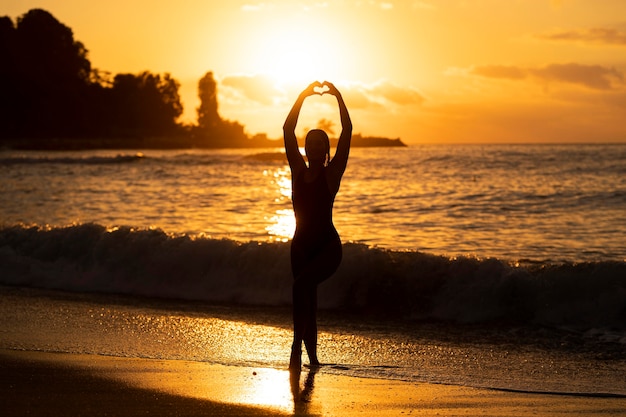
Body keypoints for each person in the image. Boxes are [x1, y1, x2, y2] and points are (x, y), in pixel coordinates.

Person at [283, 81, 352, 371]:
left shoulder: (332, 174)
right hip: (300, 247)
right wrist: (302, 96)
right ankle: (312, 359)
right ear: (305, 147)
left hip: (327, 247)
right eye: (309, 142)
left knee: (301, 287)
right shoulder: (298, 170)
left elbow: (347, 132)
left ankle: (296, 350)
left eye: (319, 143)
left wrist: (338, 97)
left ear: (326, 149)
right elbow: (287, 130)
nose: (313, 146)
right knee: (306, 299)